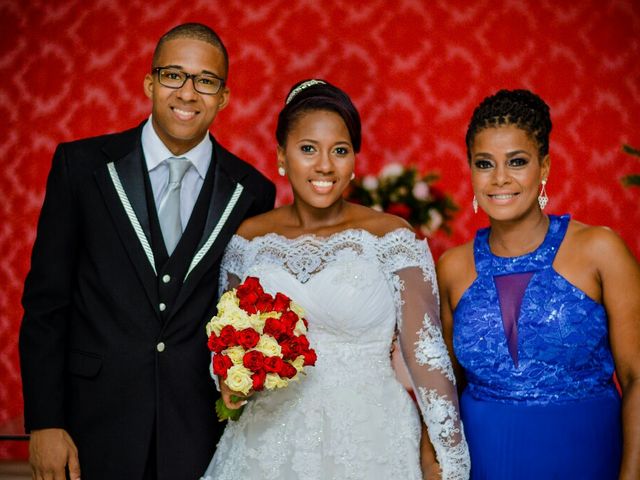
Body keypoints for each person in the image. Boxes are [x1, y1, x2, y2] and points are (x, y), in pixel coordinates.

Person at [19, 23, 275, 480]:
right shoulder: (82, 169)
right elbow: (46, 304)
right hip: (92, 425)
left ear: (224, 97)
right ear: (150, 83)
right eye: (174, 75)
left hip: (198, 429)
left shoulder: (252, 191)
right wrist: (45, 422)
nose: (188, 92)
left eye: (206, 80)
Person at [200, 79, 470, 480]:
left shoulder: (391, 238)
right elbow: (223, 342)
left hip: (372, 442)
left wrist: (448, 455)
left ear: (354, 161)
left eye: (339, 151)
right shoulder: (248, 240)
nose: (324, 165)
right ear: (281, 155)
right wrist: (229, 379)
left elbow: (427, 355)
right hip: (265, 446)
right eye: (308, 149)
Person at [437, 89, 640, 479]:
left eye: (517, 162)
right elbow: (445, 392)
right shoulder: (452, 267)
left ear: (544, 166)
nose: (500, 178)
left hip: (585, 457)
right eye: (484, 163)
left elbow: (637, 379)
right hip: (485, 463)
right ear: (471, 170)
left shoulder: (600, 251)